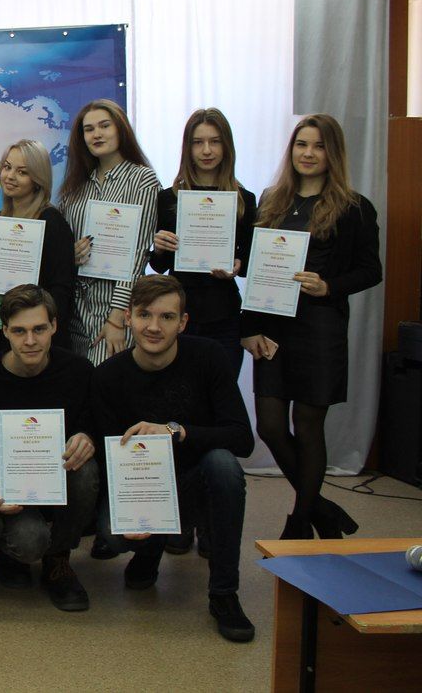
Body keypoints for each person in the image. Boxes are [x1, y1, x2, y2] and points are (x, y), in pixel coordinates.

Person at [92, 275, 256, 642]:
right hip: (141, 489)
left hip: (196, 483)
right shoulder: (107, 377)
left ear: (183, 322)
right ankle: (149, 550)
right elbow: (107, 457)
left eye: (166, 317)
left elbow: (242, 438)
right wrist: (133, 509)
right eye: (144, 315)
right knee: (113, 535)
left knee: (224, 465)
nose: (154, 327)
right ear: (128, 318)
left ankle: (224, 594)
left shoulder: (209, 357)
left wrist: (177, 431)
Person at [244, 114, 382, 540]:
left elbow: (370, 270)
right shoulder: (272, 200)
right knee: (269, 425)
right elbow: (258, 268)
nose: (308, 153)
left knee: (307, 426)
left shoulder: (354, 207)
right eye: (301, 144)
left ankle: (300, 521)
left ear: (332, 153)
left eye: (318, 146)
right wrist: (249, 326)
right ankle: (322, 508)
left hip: (320, 328)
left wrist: (328, 286)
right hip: (273, 327)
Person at [0, 285, 96, 611]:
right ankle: (10, 552)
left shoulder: (79, 371)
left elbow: (95, 422)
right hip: (8, 489)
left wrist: (87, 437)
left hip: (60, 480)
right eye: (19, 331)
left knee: (86, 468)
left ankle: (58, 560)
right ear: (5, 330)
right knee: (29, 542)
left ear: (54, 327)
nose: (30, 340)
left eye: (39, 329)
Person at [150, 109, 257, 377]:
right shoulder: (168, 198)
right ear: (188, 148)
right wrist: (159, 248)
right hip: (178, 313)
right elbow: (160, 265)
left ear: (227, 146)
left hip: (224, 314)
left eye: (215, 141)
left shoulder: (244, 199)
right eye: (198, 142)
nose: (207, 150)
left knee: (221, 393)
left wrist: (238, 265)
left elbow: (249, 264)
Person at [57, 99, 160, 366]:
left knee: (108, 382)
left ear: (120, 129)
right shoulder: (75, 188)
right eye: (89, 129)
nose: (97, 134)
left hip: (114, 311)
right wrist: (70, 254)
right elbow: (61, 248)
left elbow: (138, 254)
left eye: (105, 126)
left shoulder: (142, 180)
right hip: (76, 312)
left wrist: (117, 316)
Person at [0, 139, 76, 355]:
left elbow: (62, 288)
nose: (10, 176)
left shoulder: (52, 222)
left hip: (33, 338)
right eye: (7, 167)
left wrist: (41, 331)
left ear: (37, 180)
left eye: (22, 172)